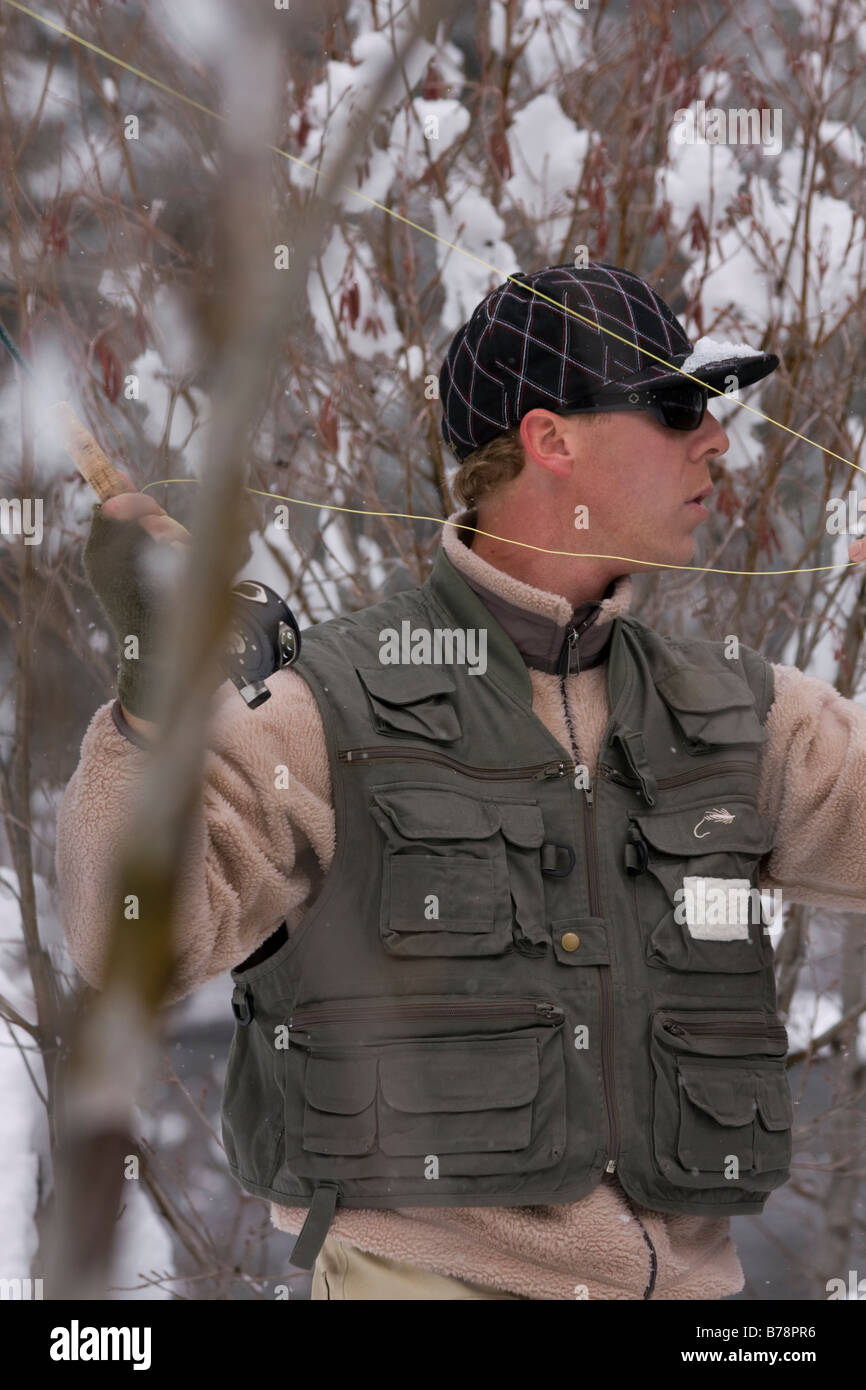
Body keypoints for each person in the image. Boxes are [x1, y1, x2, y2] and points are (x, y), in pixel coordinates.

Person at [56, 262, 866, 1300]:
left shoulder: (743, 719)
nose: (714, 436)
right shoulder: (324, 711)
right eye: (674, 405)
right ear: (550, 439)